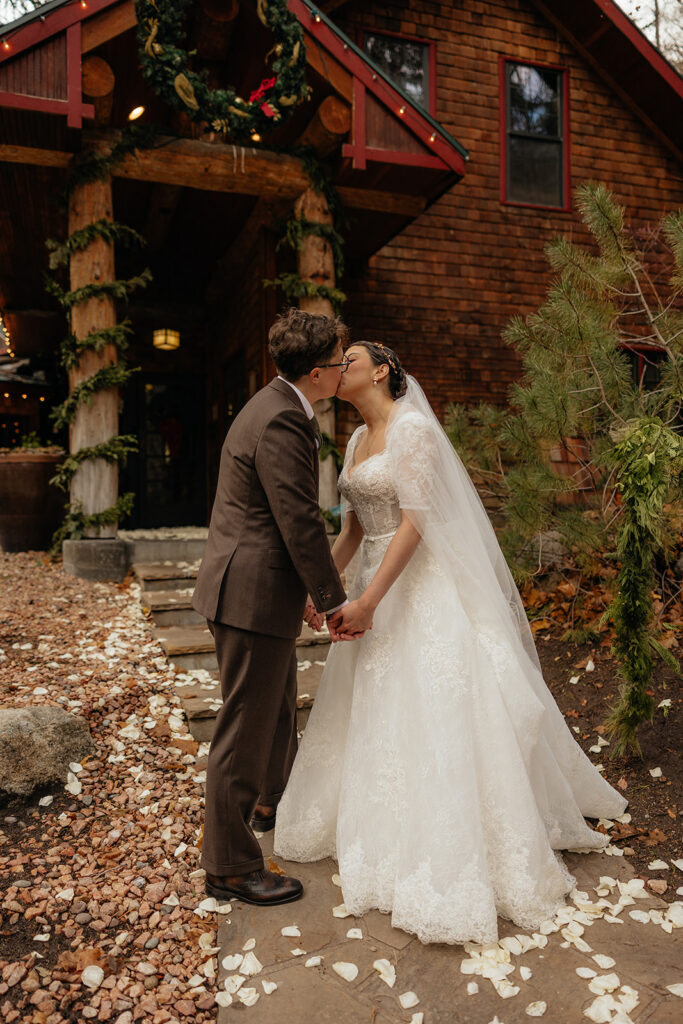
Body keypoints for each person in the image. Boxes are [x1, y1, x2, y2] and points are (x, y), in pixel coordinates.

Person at [274, 341, 628, 943]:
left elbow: (416, 523)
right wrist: (325, 590)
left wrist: (369, 602)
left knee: (437, 704)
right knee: (374, 705)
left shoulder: (414, 431)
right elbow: (354, 528)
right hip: (368, 585)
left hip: (416, 586)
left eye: (351, 356)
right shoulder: (357, 442)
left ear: (381, 370)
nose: (341, 365)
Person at [192, 308, 351, 907]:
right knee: (245, 724)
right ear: (316, 372)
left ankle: (268, 801)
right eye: (338, 363)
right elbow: (300, 520)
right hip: (251, 593)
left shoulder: (275, 404)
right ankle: (229, 864)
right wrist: (332, 599)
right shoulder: (284, 420)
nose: (343, 372)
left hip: (256, 589)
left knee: (277, 711)